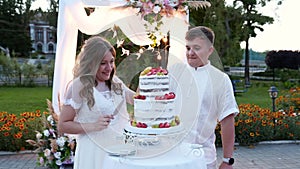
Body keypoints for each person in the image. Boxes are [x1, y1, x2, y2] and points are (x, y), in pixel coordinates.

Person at [58, 36, 135, 169]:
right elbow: (63, 125)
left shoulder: (115, 81)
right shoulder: (79, 86)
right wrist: (93, 126)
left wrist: (151, 86)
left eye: (111, 61)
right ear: (91, 63)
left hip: (119, 150)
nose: (109, 67)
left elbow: (134, 99)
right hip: (93, 153)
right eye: (103, 63)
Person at [169, 26, 239, 169]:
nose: (190, 53)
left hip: (203, 158)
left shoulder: (220, 79)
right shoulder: (175, 72)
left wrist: (227, 160)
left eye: (196, 48)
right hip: (171, 156)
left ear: (210, 50)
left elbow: (227, 121)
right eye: (188, 48)